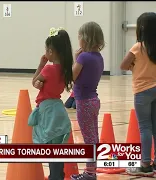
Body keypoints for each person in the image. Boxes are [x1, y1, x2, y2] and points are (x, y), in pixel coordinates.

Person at [29, 27, 74, 180]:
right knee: (58, 148)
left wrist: (40, 65)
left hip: (48, 111)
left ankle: (54, 177)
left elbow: (35, 82)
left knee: (49, 147)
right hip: (58, 109)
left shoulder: (48, 69)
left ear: (51, 51)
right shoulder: (66, 69)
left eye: (47, 49)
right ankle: (57, 176)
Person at [120, 12, 156, 177]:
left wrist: (133, 66)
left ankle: (145, 164)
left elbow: (123, 65)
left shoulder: (138, 47)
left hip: (142, 91)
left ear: (141, 28)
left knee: (145, 127)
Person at [71, 21, 105, 180]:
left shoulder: (83, 57)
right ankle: (93, 170)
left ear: (85, 38)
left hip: (84, 101)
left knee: (89, 139)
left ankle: (90, 173)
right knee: (93, 136)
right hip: (94, 100)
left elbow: (72, 76)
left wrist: (75, 59)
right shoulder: (98, 57)